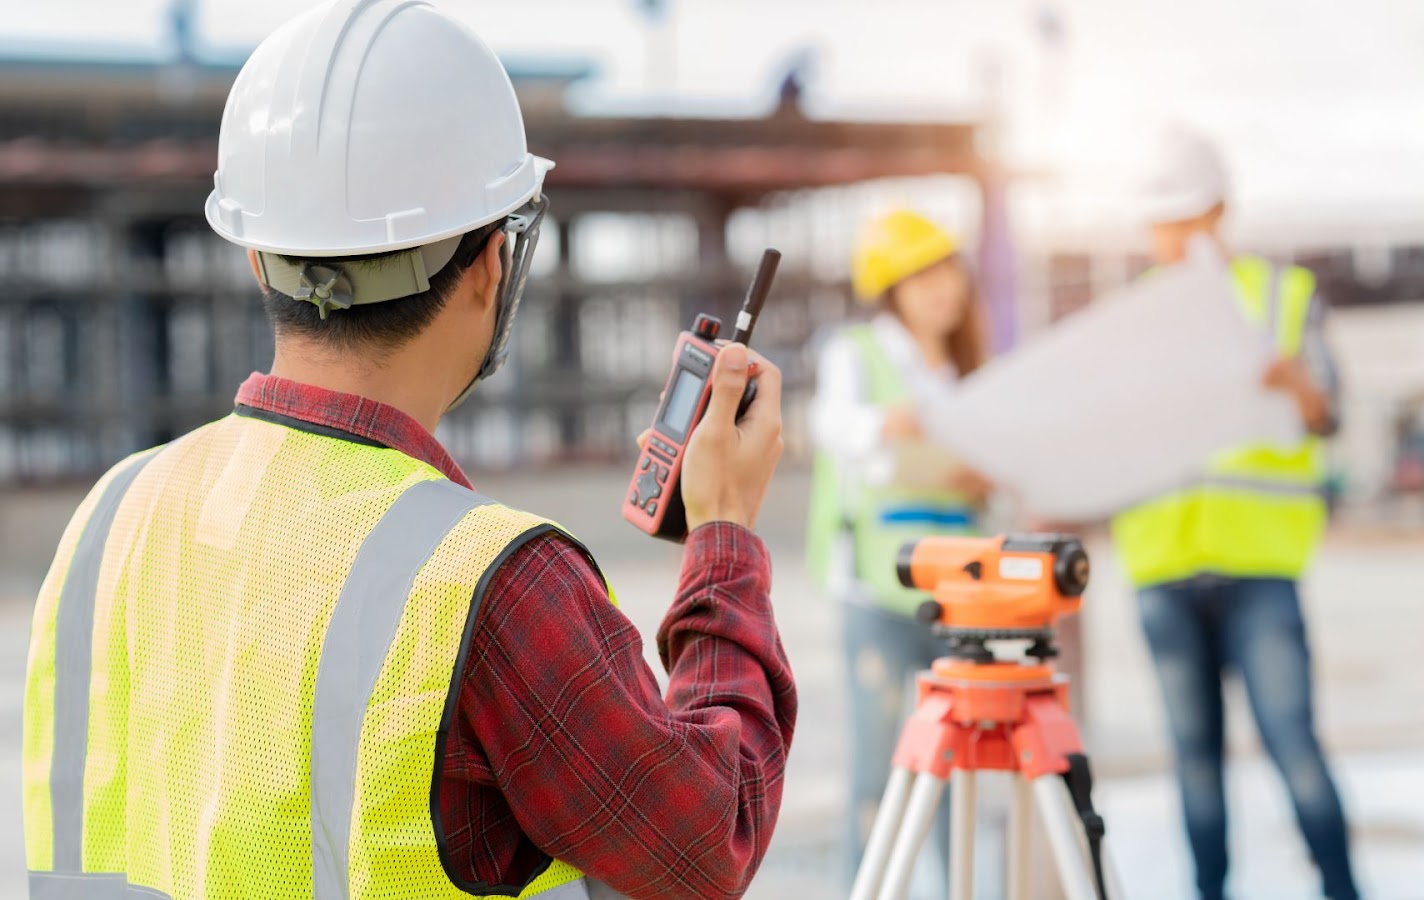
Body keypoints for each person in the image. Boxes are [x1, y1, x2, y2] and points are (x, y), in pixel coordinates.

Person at [21, 3, 794, 898]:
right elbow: (704, 843)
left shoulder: (113, 513)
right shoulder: (492, 582)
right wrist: (724, 534)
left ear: (255, 257)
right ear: (491, 267)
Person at [1111, 124, 1360, 900]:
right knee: (1194, 760)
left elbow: (1330, 413)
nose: (1173, 239)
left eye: (1185, 219)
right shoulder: (1134, 314)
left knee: (1294, 745)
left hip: (1259, 567)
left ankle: (1345, 891)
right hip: (1163, 569)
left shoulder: (1282, 298)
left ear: (1221, 212)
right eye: (1162, 223)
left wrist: (1297, 387)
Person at [806, 210, 990, 886]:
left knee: (956, 769)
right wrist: (891, 424)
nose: (943, 288)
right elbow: (833, 428)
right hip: (877, 597)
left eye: (948, 270)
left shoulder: (966, 372)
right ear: (892, 287)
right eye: (922, 275)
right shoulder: (857, 352)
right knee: (876, 774)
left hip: (957, 596)